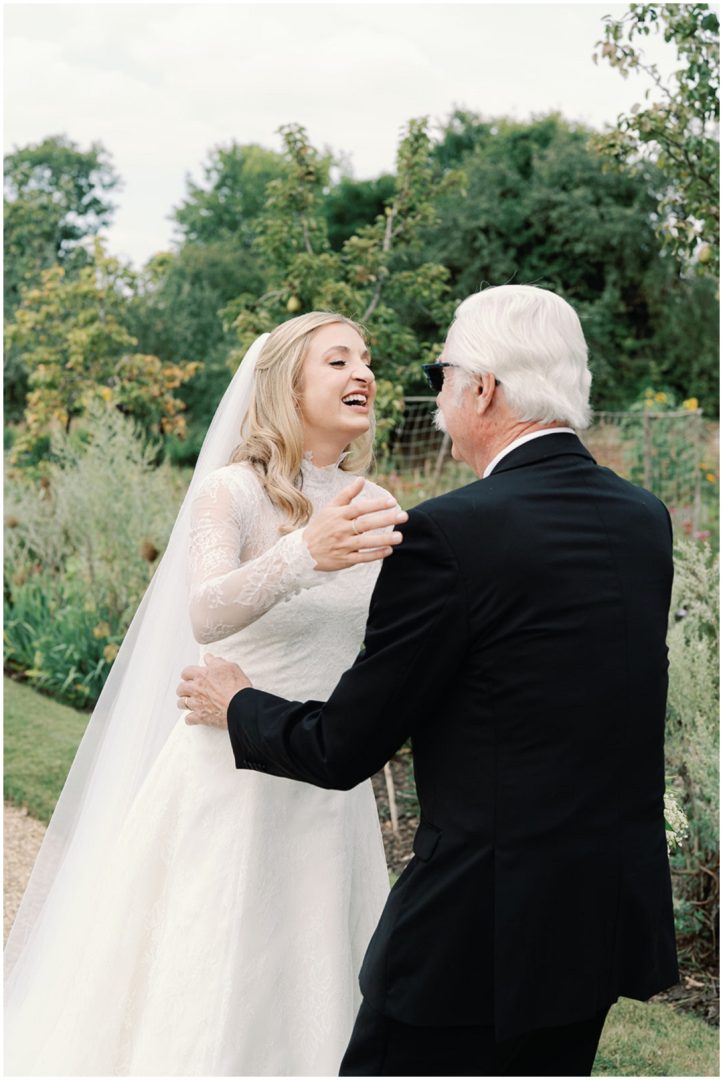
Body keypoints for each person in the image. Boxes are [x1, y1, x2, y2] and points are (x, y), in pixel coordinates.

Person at [180, 284, 679, 1077]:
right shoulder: (640, 517)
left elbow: (345, 747)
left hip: (475, 929)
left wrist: (237, 704)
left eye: (443, 374)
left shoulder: (450, 532)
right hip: (601, 915)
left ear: (482, 389)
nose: (425, 390)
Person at [5, 311, 409, 1076]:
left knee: (319, 965)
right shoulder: (234, 491)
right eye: (337, 361)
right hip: (230, 768)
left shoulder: (375, 501)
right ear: (288, 384)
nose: (363, 373)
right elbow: (204, 609)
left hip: (325, 775)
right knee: (215, 962)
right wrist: (301, 554)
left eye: (367, 360)